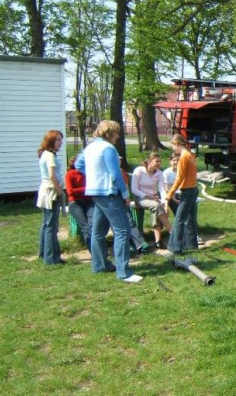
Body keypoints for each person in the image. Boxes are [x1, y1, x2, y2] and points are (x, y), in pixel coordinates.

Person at [75, 120, 142, 283]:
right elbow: (116, 174)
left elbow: (78, 165)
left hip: (95, 192)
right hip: (109, 193)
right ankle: (124, 272)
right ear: (109, 133)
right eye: (116, 132)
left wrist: (93, 175)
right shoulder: (108, 148)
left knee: (98, 232)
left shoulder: (90, 147)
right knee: (122, 231)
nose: (118, 136)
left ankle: (100, 265)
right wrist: (126, 194)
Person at [164, 134, 199, 254]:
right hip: (193, 189)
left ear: (177, 144)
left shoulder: (184, 157)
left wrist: (170, 194)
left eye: (173, 146)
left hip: (187, 191)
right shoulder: (190, 155)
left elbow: (179, 178)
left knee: (179, 220)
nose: (173, 149)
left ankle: (175, 248)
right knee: (191, 220)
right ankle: (192, 245)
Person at [131, 152, 173, 248]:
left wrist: (165, 203)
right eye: (156, 161)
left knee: (158, 208)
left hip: (154, 198)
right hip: (140, 197)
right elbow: (134, 189)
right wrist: (148, 196)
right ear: (149, 161)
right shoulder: (139, 170)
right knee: (156, 206)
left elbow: (162, 189)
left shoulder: (159, 173)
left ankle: (158, 241)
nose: (159, 163)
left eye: (160, 161)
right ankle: (172, 232)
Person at [36, 130, 66, 265]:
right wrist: (59, 190)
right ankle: (51, 258)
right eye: (58, 140)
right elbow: (52, 175)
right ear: (51, 141)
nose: (60, 143)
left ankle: (43, 253)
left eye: (61, 140)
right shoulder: (49, 156)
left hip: (46, 190)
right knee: (51, 226)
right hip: (51, 192)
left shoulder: (46, 154)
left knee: (46, 223)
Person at [65, 156, 95, 252]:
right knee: (85, 227)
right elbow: (70, 191)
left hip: (89, 202)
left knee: (93, 224)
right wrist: (86, 188)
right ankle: (94, 252)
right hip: (75, 203)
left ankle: (98, 249)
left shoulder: (88, 174)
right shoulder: (70, 174)